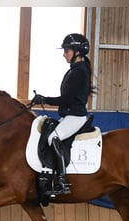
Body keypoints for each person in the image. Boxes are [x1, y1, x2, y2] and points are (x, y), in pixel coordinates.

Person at [32, 33, 95, 195]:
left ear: (78, 52)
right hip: (69, 115)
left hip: (76, 116)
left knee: (53, 137)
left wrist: (44, 99)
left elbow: (66, 99)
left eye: (67, 50)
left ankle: (62, 180)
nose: (64, 54)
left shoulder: (79, 72)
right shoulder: (75, 70)